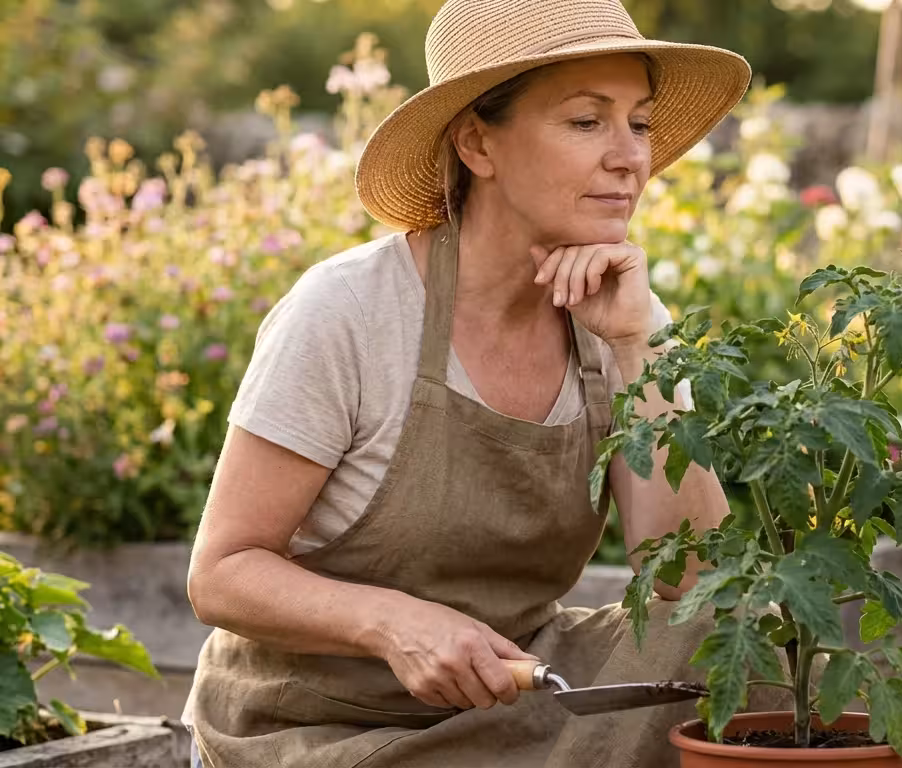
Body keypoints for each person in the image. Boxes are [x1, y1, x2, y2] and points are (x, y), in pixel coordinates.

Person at [182, 1, 783, 765]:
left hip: (518, 696)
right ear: (476, 143)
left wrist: (638, 349)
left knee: (757, 644)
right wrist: (393, 622)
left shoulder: (623, 318)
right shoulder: (350, 311)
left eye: (640, 122)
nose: (631, 157)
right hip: (313, 722)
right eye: (586, 122)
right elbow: (222, 574)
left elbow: (695, 582)